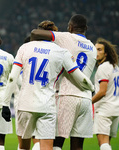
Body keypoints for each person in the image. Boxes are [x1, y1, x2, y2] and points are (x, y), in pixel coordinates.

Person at [1, 20, 94, 150]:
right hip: (47, 105)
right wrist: (91, 88)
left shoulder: (24, 47)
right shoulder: (61, 52)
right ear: (52, 35)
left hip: (25, 104)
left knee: (23, 147)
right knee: (47, 147)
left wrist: (5, 104)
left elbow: (12, 78)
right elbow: (80, 78)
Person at [31, 14, 97, 150]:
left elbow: (35, 33)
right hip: (85, 100)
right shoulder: (93, 47)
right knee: (78, 146)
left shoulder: (66, 37)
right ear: (86, 28)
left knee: (56, 142)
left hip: (67, 96)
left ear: (70, 27)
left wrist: (53, 34)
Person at [92, 38, 119, 150]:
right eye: (95, 50)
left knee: (103, 143)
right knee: (107, 143)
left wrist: (89, 102)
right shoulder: (115, 67)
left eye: (99, 50)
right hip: (115, 109)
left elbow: (102, 92)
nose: (96, 52)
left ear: (106, 53)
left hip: (104, 110)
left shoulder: (103, 68)